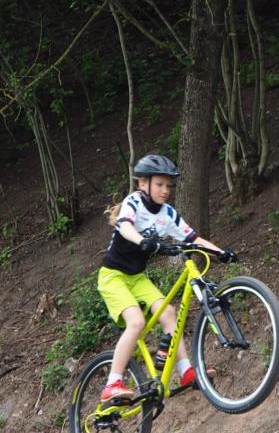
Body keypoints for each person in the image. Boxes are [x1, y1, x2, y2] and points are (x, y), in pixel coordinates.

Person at [97, 154, 237, 402]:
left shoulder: (168, 213)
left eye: (169, 186)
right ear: (143, 183)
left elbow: (193, 239)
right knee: (136, 322)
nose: (165, 190)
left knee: (169, 313)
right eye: (159, 184)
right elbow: (125, 226)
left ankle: (186, 372)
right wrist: (143, 241)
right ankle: (112, 383)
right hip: (112, 276)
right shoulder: (133, 202)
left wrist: (220, 252)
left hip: (137, 277)